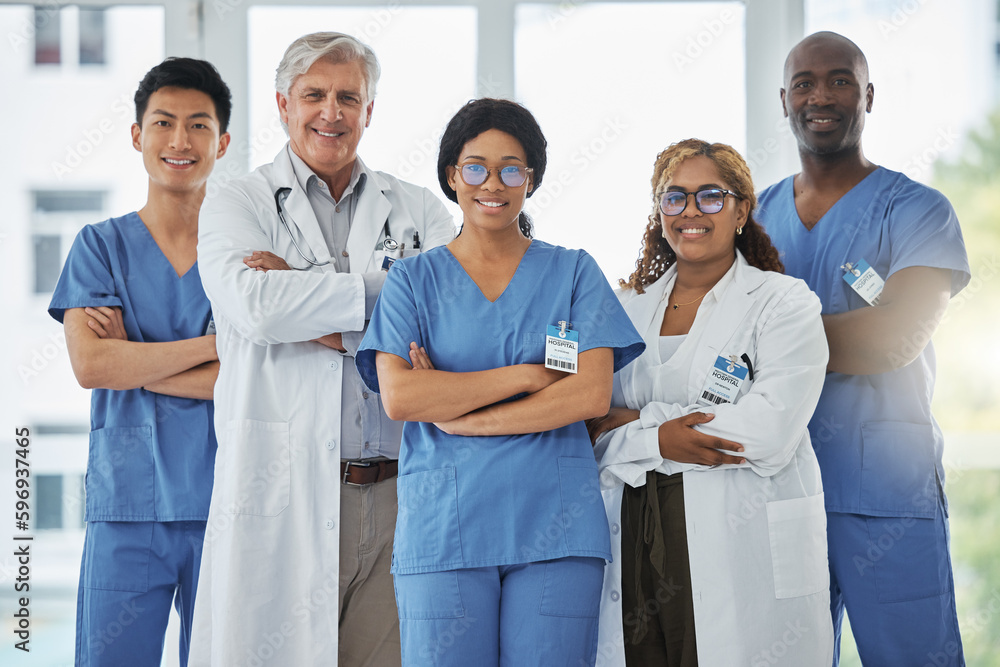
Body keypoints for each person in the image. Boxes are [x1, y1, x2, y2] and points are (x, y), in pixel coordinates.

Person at [189, 32, 455, 666]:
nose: (330, 113)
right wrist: (388, 303)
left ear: (369, 111)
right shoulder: (237, 201)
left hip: (397, 495)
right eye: (314, 95)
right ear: (283, 105)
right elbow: (255, 306)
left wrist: (303, 293)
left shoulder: (417, 207)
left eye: (348, 97)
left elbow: (447, 316)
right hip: (280, 492)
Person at [353, 98, 645, 667]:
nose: (494, 183)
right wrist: (530, 376)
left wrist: (459, 412)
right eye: (475, 167)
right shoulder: (413, 280)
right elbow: (403, 396)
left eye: (512, 168)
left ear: (530, 180)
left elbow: (587, 394)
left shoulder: (573, 271)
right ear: (451, 176)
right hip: (445, 529)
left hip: (555, 529)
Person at [756, 31, 970, 666]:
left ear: (868, 94)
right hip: (780, 489)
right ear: (785, 102)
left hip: (888, 494)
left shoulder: (917, 210)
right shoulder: (754, 218)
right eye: (804, 83)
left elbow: (893, 338)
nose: (821, 95)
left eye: (840, 79)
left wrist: (765, 344)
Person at [590, 139, 834, 666]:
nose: (691, 212)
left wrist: (640, 427)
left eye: (710, 197)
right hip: (637, 533)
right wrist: (661, 433)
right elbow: (587, 426)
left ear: (741, 209)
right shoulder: (626, 308)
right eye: (674, 198)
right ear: (659, 213)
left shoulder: (783, 303)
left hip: (740, 543)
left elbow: (767, 431)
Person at [47, 57, 231, 666]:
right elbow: (92, 367)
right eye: (163, 122)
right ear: (137, 135)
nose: (180, 141)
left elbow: (254, 380)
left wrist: (135, 357)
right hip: (127, 508)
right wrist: (217, 346)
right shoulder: (100, 247)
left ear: (222, 142)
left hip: (225, 507)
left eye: (199, 125)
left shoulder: (241, 260)